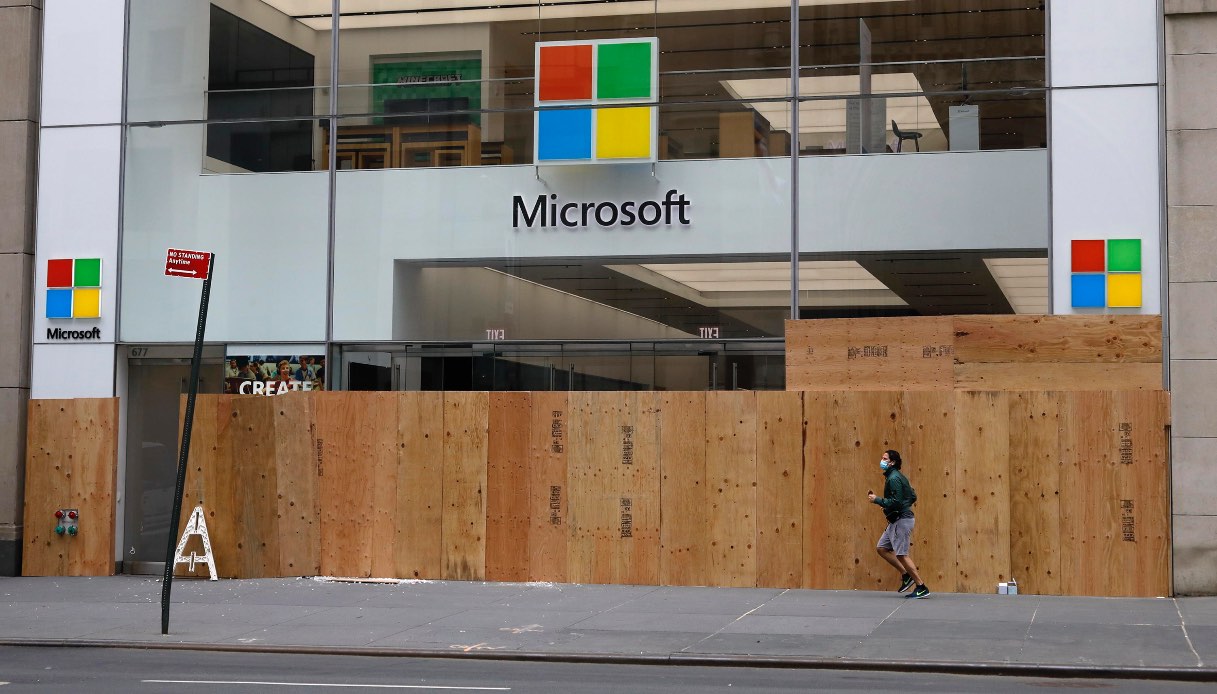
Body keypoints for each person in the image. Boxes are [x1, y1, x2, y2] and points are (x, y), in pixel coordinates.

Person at [867, 449, 929, 599]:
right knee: (882, 548)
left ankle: (921, 586)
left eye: (885, 459)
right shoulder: (897, 476)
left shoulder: (893, 478)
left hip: (901, 520)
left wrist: (878, 500)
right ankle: (906, 575)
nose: (882, 461)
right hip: (897, 519)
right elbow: (912, 496)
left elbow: (896, 502)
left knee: (901, 554)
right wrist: (890, 506)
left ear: (892, 462)